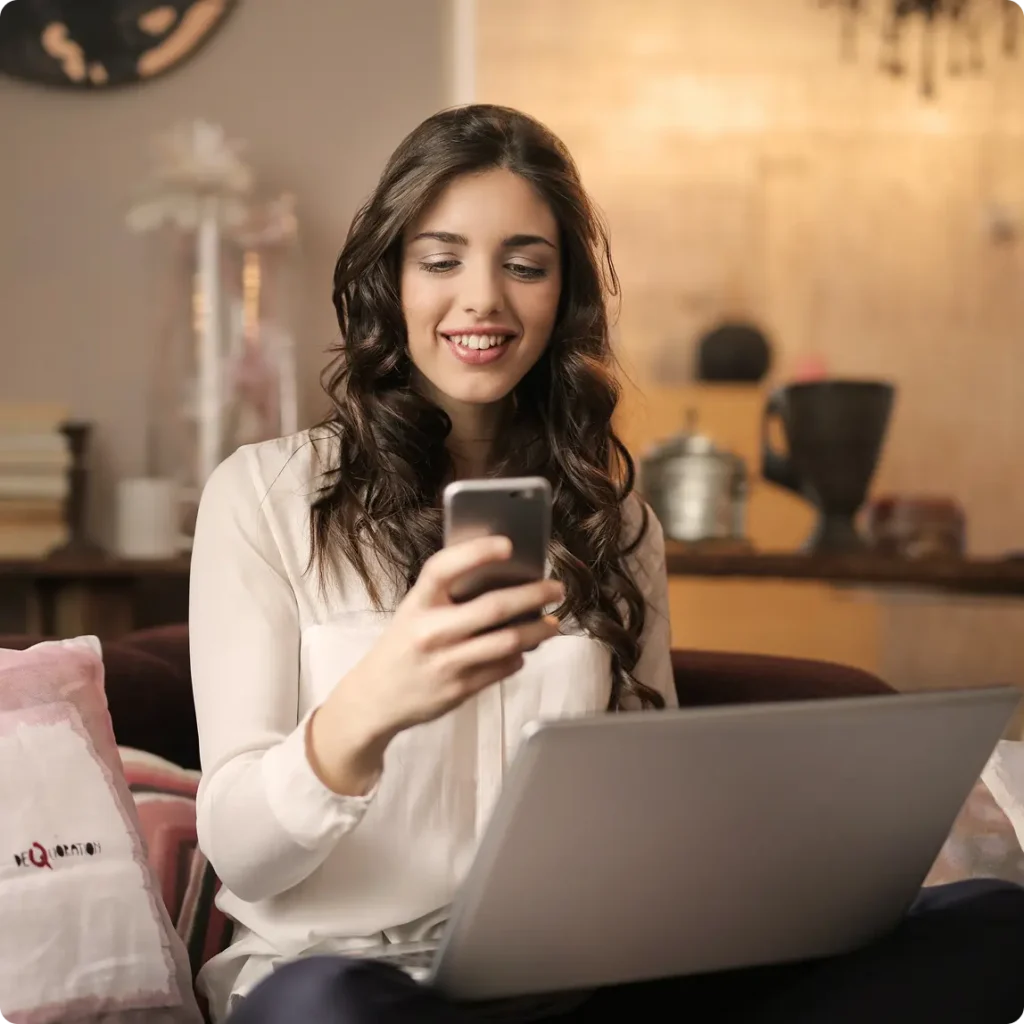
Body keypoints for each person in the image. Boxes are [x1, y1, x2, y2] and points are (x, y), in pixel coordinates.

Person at [189, 104, 1024, 1024]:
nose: (484, 301)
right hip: (344, 977)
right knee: (329, 1012)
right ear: (390, 278)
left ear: (564, 292)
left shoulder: (611, 517)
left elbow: (645, 807)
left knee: (994, 925)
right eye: (441, 260)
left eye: (524, 265)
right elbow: (242, 851)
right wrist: (370, 705)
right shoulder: (266, 497)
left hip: (568, 984)